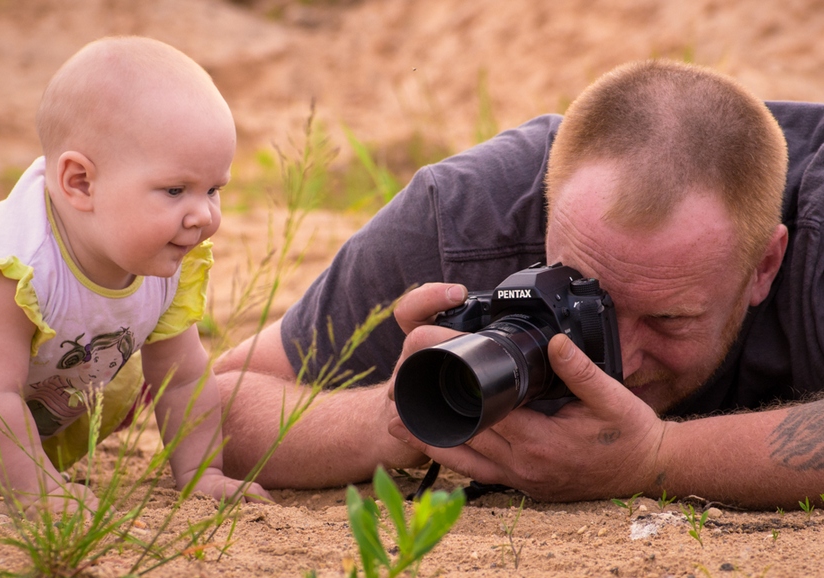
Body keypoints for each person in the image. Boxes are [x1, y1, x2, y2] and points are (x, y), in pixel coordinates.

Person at [214, 58, 824, 510]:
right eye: (588, 301)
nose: (620, 360)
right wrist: (394, 415)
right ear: (545, 213)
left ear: (766, 264)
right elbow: (215, 403)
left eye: (670, 319)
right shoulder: (466, 217)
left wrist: (656, 460)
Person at [0, 36, 268, 514]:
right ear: (80, 183)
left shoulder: (163, 261)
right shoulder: (15, 267)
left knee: (128, 378)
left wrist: (201, 472)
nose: (202, 216)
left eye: (213, 189)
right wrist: (36, 492)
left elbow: (183, 376)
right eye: (175, 190)